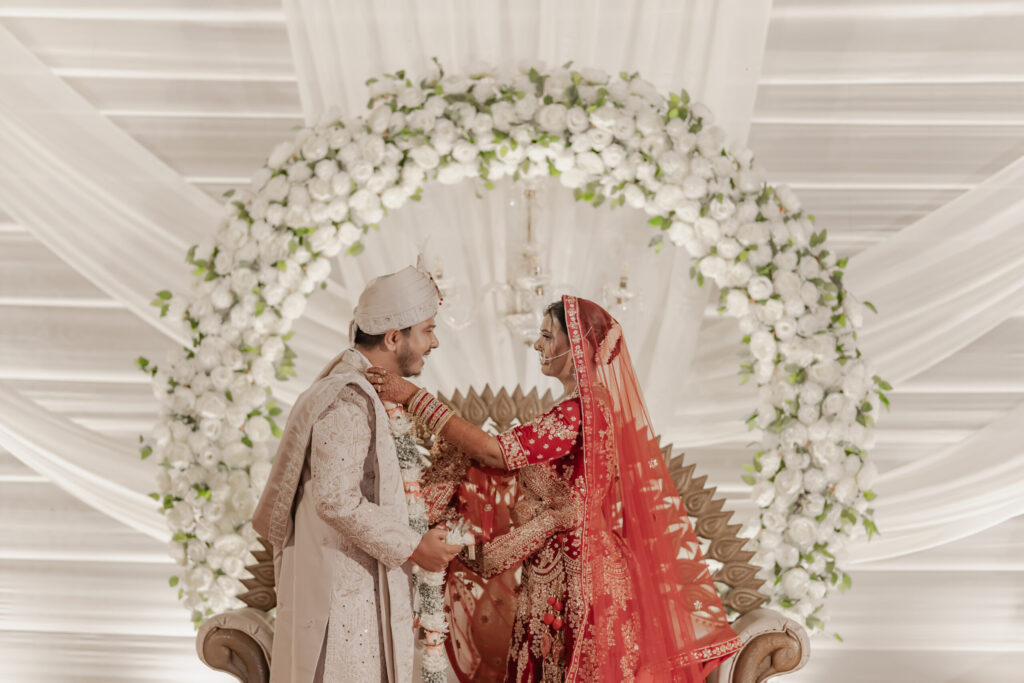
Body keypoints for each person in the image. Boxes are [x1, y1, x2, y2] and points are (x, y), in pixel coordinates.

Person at [368, 295, 744, 682]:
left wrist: (415, 398)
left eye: (548, 336)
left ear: (576, 346)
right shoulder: (587, 406)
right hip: (566, 564)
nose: (538, 345)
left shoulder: (581, 411)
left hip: (577, 576)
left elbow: (496, 452)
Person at [252, 265, 462, 683]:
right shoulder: (347, 398)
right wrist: (414, 546)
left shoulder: (363, 388)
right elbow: (334, 497)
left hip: (358, 592)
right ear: (393, 337)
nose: (434, 342)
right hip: (341, 604)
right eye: (427, 330)